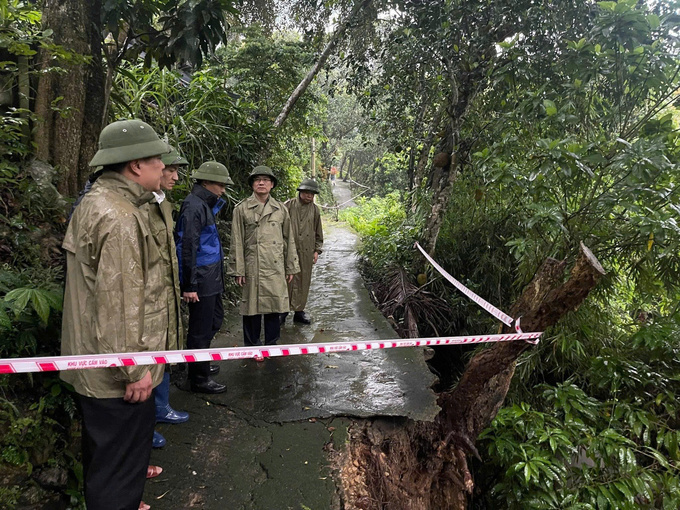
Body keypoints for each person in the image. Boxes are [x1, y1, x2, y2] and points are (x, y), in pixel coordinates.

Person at [61, 119, 169, 510]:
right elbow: (118, 303)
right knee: (118, 472)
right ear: (136, 165)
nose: (163, 168)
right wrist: (134, 367)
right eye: (158, 161)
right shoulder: (120, 217)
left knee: (106, 462)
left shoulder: (95, 202)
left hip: (94, 363)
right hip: (117, 375)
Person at [228, 166, 300, 354]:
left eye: (266, 180)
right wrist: (238, 269)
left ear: (272, 184)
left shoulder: (280, 209)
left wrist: (291, 266)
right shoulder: (242, 209)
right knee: (251, 307)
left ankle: (271, 344)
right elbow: (236, 240)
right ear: (252, 184)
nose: (261, 183)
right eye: (257, 179)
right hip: (253, 265)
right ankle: (252, 347)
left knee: (274, 306)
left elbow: (288, 239)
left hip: (275, 265)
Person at [175, 161, 232, 394]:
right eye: (221, 185)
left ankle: (201, 361)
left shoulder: (205, 205)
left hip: (211, 277)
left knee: (215, 319)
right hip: (200, 279)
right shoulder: (193, 206)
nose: (223, 190)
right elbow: (187, 245)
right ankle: (198, 378)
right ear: (207, 182)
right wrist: (189, 284)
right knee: (200, 328)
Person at [151, 146, 191, 448]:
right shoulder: (133, 207)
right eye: (170, 170)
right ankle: (144, 424)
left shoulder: (163, 202)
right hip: (147, 300)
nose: (175, 177)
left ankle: (160, 408)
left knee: (163, 352)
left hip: (165, 293)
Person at [281, 178, 323, 325]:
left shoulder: (315, 210)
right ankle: (283, 311)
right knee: (287, 280)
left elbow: (318, 232)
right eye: (306, 192)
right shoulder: (288, 206)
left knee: (304, 280)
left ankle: (299, 311)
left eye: (312, 193)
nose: (309, 196)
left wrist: (317, 250)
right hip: (288, 251)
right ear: (300, 192)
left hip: (307, 251)